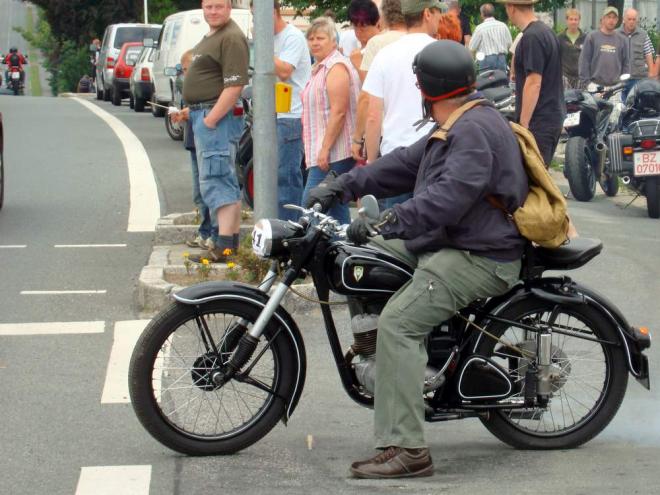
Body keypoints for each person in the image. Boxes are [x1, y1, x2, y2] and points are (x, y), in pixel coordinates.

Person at [306, 40, 527, 479]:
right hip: (453, 240)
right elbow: (405, 164)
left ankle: (408, 449)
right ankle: (376, 357)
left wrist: (388, 220)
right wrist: (341, 184)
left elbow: (448, 199)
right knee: (358, 262)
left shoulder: (474, 130)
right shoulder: (458, 121)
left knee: (400, 324)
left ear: (428, 89)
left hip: (479, 254)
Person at [183, 0, 249, 263]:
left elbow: (235, 85)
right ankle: (227, 244)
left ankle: (223, 247)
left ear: (229, 8)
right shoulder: (214, 35)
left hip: (216, 117)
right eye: (209, 6)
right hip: (205, 113)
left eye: (218, 6)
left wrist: (210, 120)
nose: (213, 11)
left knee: (217, 177)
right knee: (221, 178)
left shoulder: (231, 37)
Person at [362, 0, 443, 208]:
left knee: (394, 233)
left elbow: (373, 115)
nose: (440, 17)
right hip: (435, 154)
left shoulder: (385, 55)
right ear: (427, 14)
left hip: (396, 159)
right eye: (437, 12)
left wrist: (372, 163)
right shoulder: (441, 51)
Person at [300, 17, 360, 225]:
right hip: (324, 150)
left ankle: (318, 255)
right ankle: (345, 253)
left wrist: (324, 149)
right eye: (311, 38)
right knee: (332, 206)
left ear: (334, 41)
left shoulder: (336, 67)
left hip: (334, 151)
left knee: (313, 205)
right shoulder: (321, 67)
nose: (315, 42)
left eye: (321, 38)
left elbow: (339, 112)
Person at [501, 0, 564, 167]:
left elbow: (534, 82)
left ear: (511, 8)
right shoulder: (546, 32)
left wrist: (523, 125)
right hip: (551, 115)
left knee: (533, 182)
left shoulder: (532, 37)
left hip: (539, 120)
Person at [171, 50, 218, 251]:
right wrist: (184, 115)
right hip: (193, 142)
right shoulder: (192, 88)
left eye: (188, 70)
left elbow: (205, 107)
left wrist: (190, 113)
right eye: (183, 70)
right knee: (199, 193)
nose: (185, 74)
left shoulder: (204, 87)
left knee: (209, 189)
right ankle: (205, 231)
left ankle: (212, 234)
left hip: (204, 142)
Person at [270, 1, 312, 222]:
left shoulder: (292, 37)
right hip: (276, 112)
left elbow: (285, 70)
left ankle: (289, 226)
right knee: (277, 172)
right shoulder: (273, 39)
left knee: (287, 174)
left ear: (274, 13)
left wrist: (264, 47)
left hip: (292, 114)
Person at [351, 0, 407, 162]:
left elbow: (368, 95)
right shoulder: (420, 39)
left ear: (382, 18)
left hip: (386, 131)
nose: (358, 31)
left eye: (363, 25)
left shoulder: (377, 44)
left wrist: (358, 138)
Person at [579, 7, 629, 88]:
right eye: (609, 17)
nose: (611, 20)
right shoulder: (592, 37)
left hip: (615, 87)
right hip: (595, 86)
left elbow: (626, 63)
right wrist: (588, 83)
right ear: (603, 19)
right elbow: (584, 62)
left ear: (617, 20)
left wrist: (622, 83)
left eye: (614, 18)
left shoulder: (622, 40)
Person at [619, 8, 656, 102]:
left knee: (637, 106)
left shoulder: (643, 35)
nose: (631, 22)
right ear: (624, 19)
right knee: (622, 106)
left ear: (637, 20)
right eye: (629, 19)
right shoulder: (615, 34)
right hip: (620, 80)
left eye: (634, 19)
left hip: (638, 78)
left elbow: (648, 54)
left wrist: (651, 73)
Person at [469, 3, 512, 73]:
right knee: (501, 82)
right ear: (493, 13)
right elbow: (510, 43)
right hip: (501, 58)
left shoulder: (480, 28)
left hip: (486, 60)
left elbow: (472, 47)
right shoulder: (503, 26)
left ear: (482, 14)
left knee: (486, 83)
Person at [347, 0, 382, 75]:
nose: (359, 30)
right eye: (355, 25)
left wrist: (358, 64)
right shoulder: (357, 51)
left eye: (364, 25)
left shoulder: (383, 49)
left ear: (377, 23)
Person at [557, 8, 586, 89]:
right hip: (564, 77)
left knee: (582, 101)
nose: (573, 22)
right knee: (566, 101)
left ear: (579, 20)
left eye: (576, 19)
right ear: (567, 20)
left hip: (581, 78)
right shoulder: (559, 38)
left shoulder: (586, 38)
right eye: (571, 19)